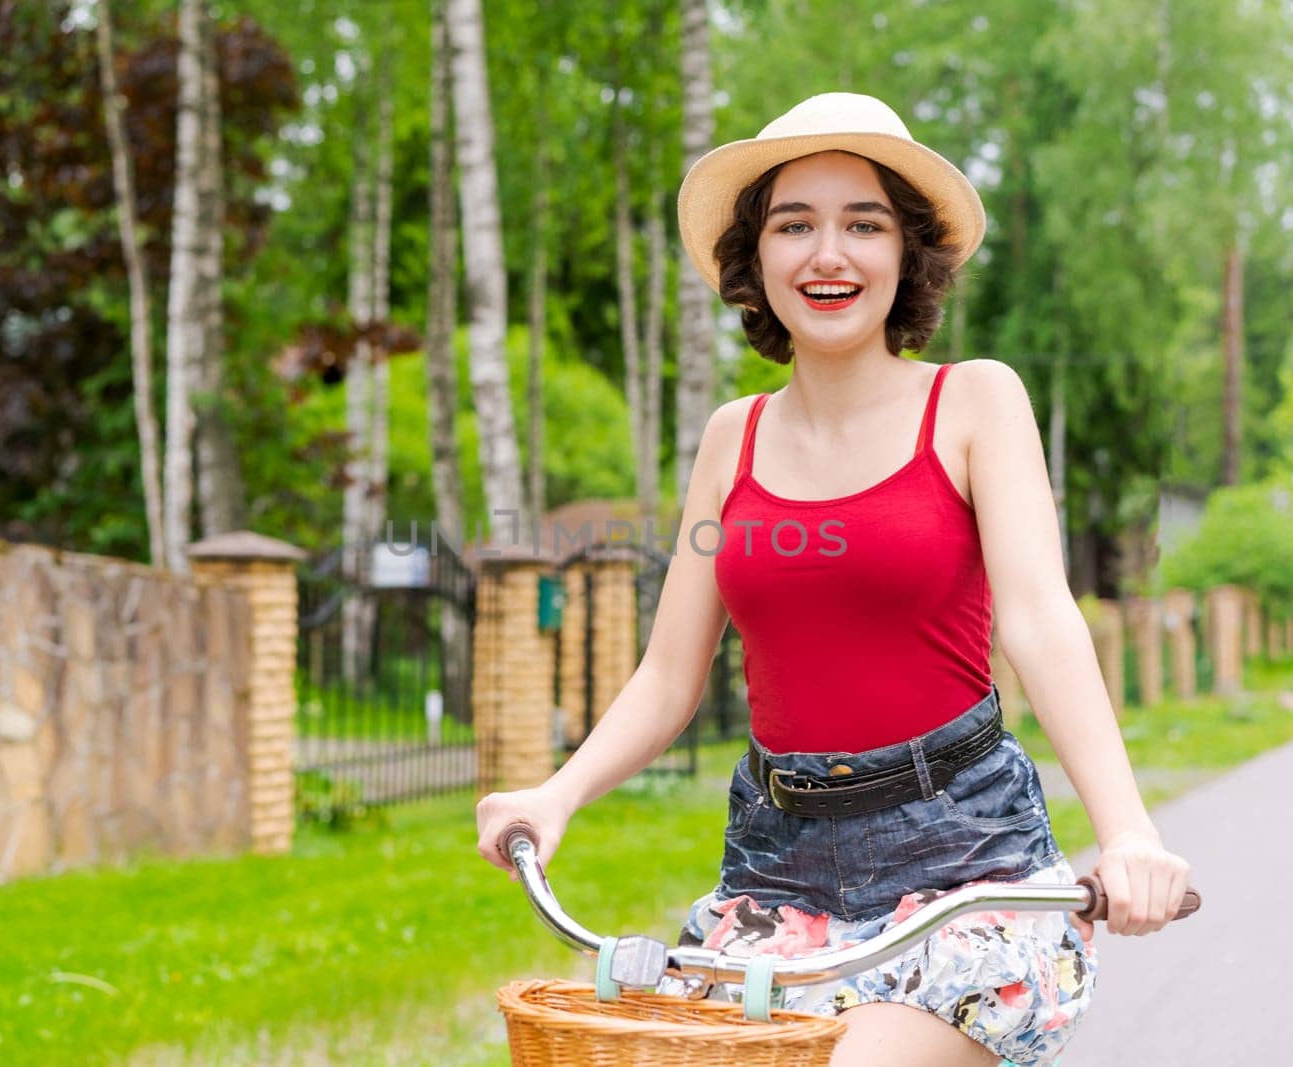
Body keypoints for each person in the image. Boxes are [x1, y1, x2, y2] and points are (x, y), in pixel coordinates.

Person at [475, 92, 1191, 1067]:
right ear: (754, 258)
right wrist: (557, 793)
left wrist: (1127, 833)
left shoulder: (974, 401)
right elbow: (667, 674)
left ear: (907, 255)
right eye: (792, 224)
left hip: (959, 861)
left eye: (863, 223)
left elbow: (1039, 618)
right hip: (774, 866)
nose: (827, 254)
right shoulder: (733, 436)